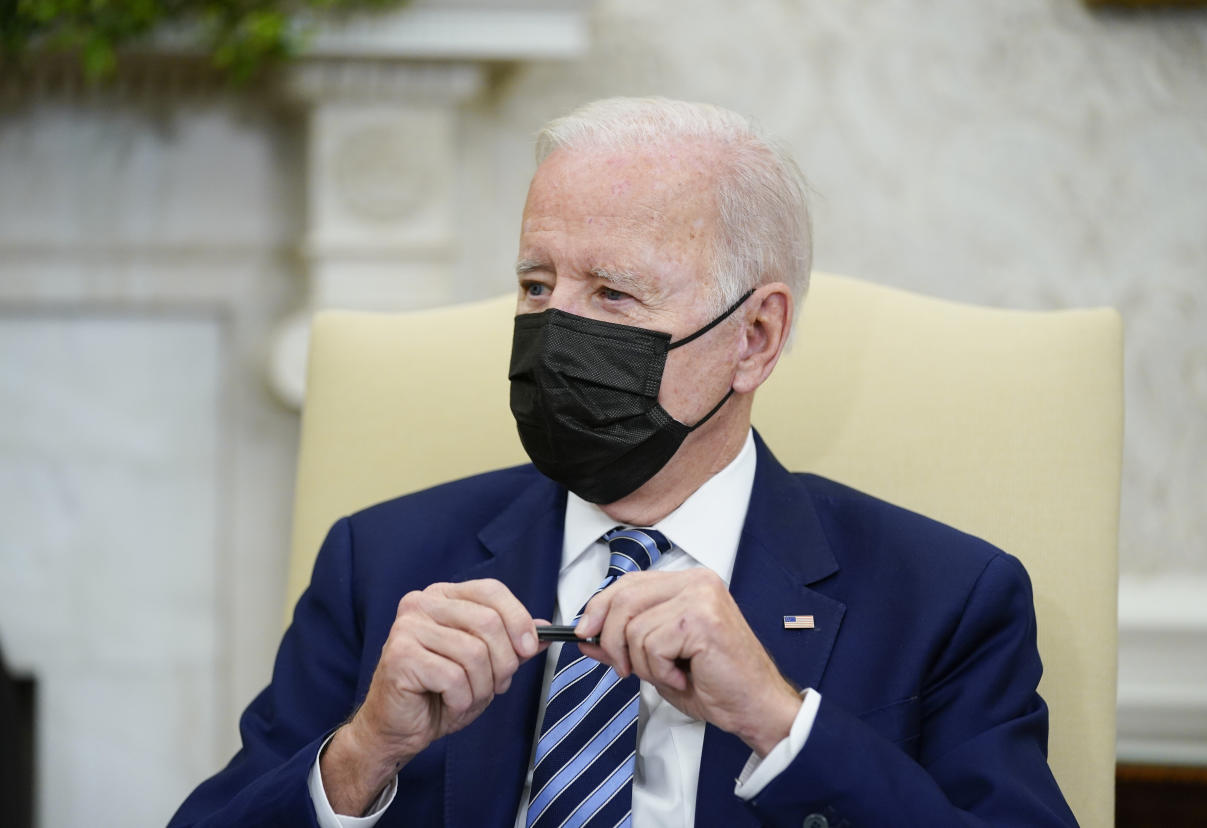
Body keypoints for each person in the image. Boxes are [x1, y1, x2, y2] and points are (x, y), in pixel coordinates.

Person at [171, 97, 1077, 828]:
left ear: (754, 339)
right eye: (536, 285)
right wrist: (363, 754)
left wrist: (780, 719)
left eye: (613, 292)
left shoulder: (947, 598)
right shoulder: (383, 562)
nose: (556, 329)